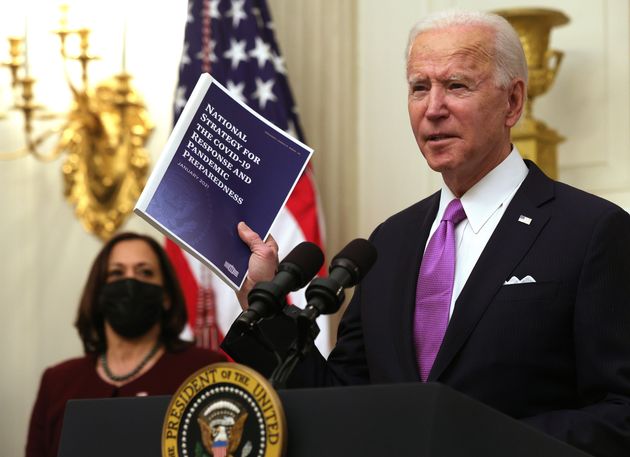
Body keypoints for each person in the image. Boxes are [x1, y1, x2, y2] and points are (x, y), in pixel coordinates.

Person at [222, 10, 630, 457]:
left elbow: (620, 411)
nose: (433, 109)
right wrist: (266, 305)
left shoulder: (590, 231)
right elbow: (340, 399)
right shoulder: (386, 243)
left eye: (456, 86)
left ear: (513, 103)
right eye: (419, 88)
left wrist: (488, 444)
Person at [26, 232, 226, 457]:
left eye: (145, 272)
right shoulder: (57, 382)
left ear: (166, 296)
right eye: (116, 273)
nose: (130, 282)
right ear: (99, 292)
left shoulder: (205, 371)